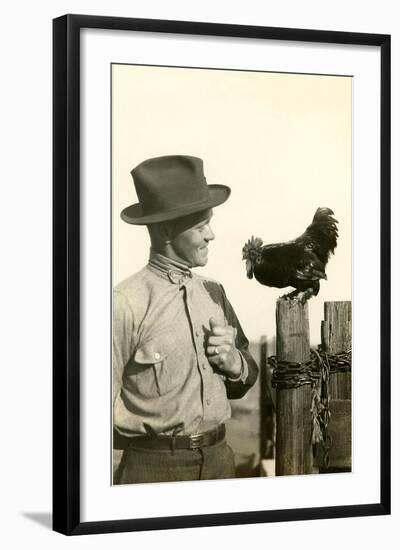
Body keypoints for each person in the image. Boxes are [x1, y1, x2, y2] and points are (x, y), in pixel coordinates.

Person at [113, 155, 258, 484]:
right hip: (153, 471)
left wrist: (236, 363)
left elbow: (246, 374)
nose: (212, 235)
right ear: (166, 230)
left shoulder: (214, 293)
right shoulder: (124, 304)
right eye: (200, 226)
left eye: (209, 222)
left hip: (221, 462)